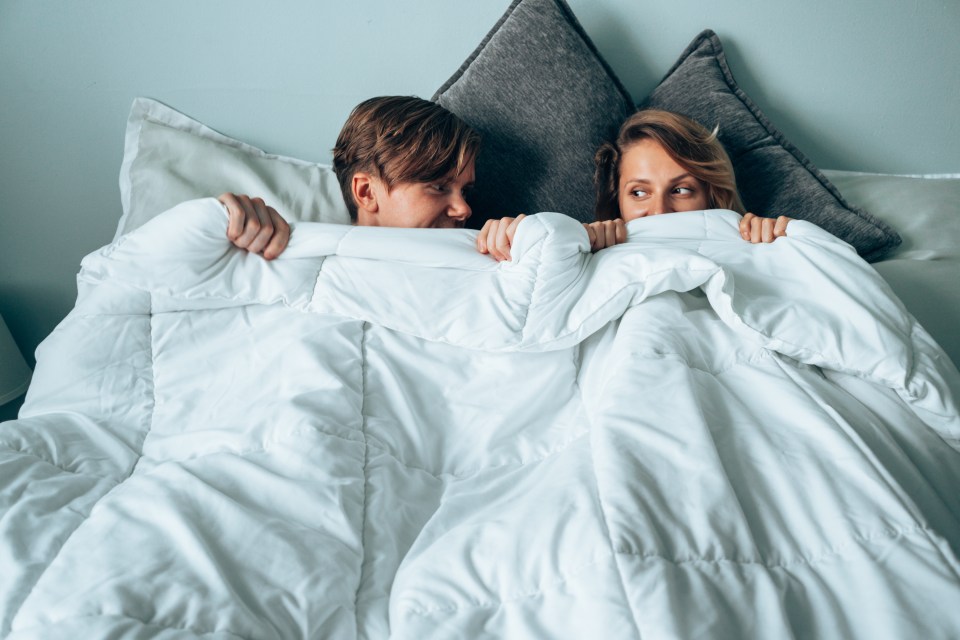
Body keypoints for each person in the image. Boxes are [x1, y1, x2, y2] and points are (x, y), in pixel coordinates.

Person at [476, 108, 792, 261]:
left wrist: (785, 247)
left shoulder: (758, 244)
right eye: (639, 192)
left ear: (712, 195)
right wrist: (517, 239)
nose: (660, 212)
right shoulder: (584, 252)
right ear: (618, 201)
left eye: (680, 190)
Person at [219, 95, 481, 259]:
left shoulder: (487, 256)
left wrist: (519, 242)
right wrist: (217, 222)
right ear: (367, 192)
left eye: (465, 191)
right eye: (438, 187)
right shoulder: (292, 251)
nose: (464, 209)